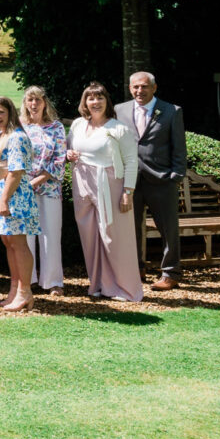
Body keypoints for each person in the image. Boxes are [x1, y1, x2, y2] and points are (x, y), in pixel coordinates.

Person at [67, 81, 143, 302]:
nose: (95, 102)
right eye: (91, 98)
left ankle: (127, 289)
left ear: (106, 101)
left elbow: (131, 162)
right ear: (85, 102)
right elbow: (71, 150)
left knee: (114, 237)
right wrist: (69, 155)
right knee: (90, 237)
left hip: (110, 184)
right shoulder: (78, 125)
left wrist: (128, 191)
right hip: (82, 182)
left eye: (99, 98)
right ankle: (99, 284)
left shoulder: (119, 129)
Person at [116, 71, 187, 291]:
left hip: (161, 181)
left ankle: (170, 273)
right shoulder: (119, 110)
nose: (140, 91)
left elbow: (179, 148)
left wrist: (175, 177)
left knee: (168, 230)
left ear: (154, 88)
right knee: (130, 229)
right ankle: (136, 269)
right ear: (130, 88)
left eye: (144, 87)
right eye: (135, 87)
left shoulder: (171, 111)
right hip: (130, 182)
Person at [0, 95, 38, 311]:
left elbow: (16, 171)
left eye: (0, 112)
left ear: (10, 113)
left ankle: (25, 293)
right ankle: (15, 289)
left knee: (18, 243)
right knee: (8, 242)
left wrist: (4, 200)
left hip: (15, 197)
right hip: (0, 194)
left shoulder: (16, 137)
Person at [21, 86, 68, 296]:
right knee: (26, 235)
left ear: (45, 103)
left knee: (50, 234)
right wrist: (24, 184)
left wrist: (37, 181)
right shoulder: (19, 126)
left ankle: (53, 281)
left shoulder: (56, 127)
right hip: (23, 189)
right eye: (30, 100)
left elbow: (59, 159)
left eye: (38, 100)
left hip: (49, 188)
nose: (34, 104)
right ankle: (27, 279)